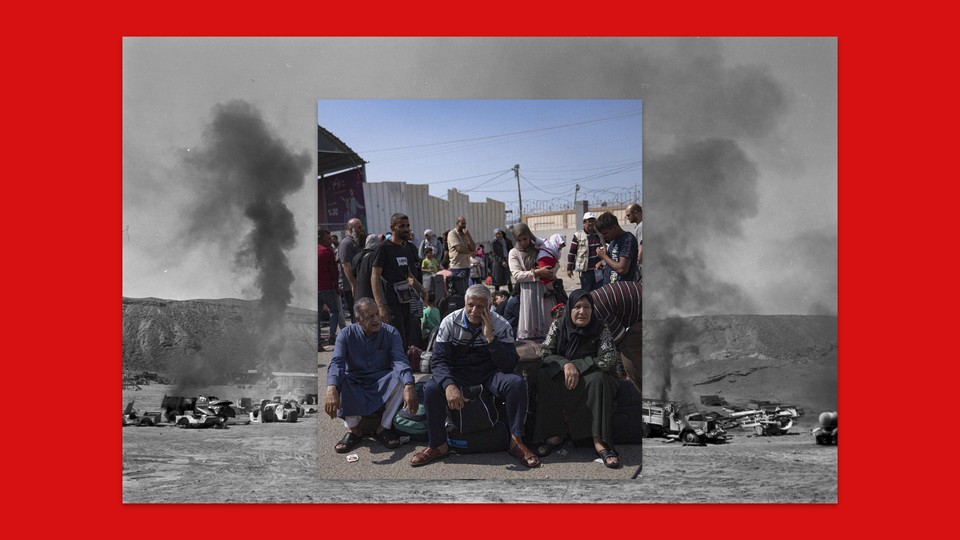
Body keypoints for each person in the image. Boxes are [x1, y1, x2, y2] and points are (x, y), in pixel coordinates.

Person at [409, 285, 540, 468]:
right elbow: (438, 361)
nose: (475, 311)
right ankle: (437, 445)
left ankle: (515, 440)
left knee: (516, 383)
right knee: (431, 388)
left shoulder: (501, 324)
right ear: (465, 303)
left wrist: (491, 339)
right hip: (458, 374)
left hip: (489, 375)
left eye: (481, 307)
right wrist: (449, 385)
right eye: (471, 305)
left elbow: (509, 365)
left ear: (489, 306)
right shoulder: (449, 322)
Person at [534, 290, 622, 468]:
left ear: (592, 309)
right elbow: (545, 353)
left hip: (595, 372)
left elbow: (608, 359)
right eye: (577, 307)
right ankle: (555, 434)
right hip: (565, 371)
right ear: (569, 309)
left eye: (587, 307)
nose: (582, 311)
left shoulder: (600, 326)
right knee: (545, 376)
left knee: (597, 380)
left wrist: (578, 365)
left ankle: (599, 441)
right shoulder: (559, 325)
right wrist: (565, 364)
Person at [324, 298, 418, 453]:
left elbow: (400, 360)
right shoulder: (345, 335)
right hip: (356, 380)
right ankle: (354, 430)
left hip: (382, 380)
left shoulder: (390, 332)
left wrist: (409, 384)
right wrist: (331, 389)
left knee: (402, 380)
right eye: (370, 317)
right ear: (358, 320)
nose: (376, 319)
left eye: (377, 314)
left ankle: (383, 427)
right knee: (339, 380)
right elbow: (336, 363)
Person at [372, 213, 428, 351]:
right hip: (390, 301)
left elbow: (407, 274)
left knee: (406, 336)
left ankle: (403, 366)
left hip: (405, 299)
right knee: (396, 337)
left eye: (407, 226)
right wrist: (380, 307)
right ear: (392, 227)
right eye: (402, 226)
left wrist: (422, 290)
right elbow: (374, 276)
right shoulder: (383, 248)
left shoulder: (404, 248)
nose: (406, 229)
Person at [590, 280, 643, 390]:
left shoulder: (597, 312)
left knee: (629, 346)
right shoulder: (589, 304)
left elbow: (619, 337)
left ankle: (639, 391)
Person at [508, 223, 554, 340]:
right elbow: (517, 275)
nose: (523, 242)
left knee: (547, 321)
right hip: (527, 292)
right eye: (519, 240)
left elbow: (551, 261)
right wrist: (538, 273)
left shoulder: (539, 248)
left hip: (544, 290)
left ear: (530, 236)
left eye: (525, 238)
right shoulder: (514, 253)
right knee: (530, 321)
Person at [566, 212, 607, 293]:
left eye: (593, 221)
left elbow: (605, 248)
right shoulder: (578, 235)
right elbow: (572, 252)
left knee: (598, 291)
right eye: (589, 221)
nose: (591, 223)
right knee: (586, 291)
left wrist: (602, 262)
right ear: (584, 222)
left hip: (598, 269)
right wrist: (569, 268)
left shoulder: (599, 235)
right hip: (585, 271)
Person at [595, 212, 639, 283]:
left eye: (605, 233)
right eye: (602, 234)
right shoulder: (613, 240)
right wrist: (603, 263)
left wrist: (604, 257)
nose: (603, 237)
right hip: (610, 288)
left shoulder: (627, 240)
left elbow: (622, 269)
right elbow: (614, 260)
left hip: (620, 290)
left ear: (615, 227)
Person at [337, 218, 366, 322]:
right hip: (352, 288)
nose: (362, 229)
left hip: (361, 284)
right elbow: (346, 266)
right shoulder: (346, 244)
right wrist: (353, 284)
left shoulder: (358, 242)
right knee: (357, 315)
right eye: (358, 227)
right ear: (350, 229)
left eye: (361, 226)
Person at [318, 229, 341, 349]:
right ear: (321, 239)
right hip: (327, 287)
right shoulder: (327, 252)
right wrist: (337, 287)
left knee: (316, 316)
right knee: (334, 311)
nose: (331, 240)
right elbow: (334, 272)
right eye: (328, 238)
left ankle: (317, 342)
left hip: (315, 289)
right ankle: (332, 336)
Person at [446, 216, 476, 297]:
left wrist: (468, 235)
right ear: (457, 224)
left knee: (465, 291)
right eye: (462, 224)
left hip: (466, 266)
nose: (464, 226)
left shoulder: (465, 235)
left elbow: (473, 247)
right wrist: (470, 253)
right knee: (458, 292)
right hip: (457, 267)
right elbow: (459, 248)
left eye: (465, 224)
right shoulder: (452, 233)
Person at [352, 234, 380, 302]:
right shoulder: (376, 256)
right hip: (372, 294)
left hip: (360, 293)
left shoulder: (356, 257)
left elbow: (353, 273)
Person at [490, 228, 514, 294]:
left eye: (499, 233)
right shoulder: (494, 243)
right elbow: (494, 254)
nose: (498, 235)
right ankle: (496, 294)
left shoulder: (507, 241)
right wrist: (502, 261)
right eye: (496, 234)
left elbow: (512, 250)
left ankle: (511, 294)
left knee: (508, 279)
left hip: (507, 260)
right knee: (497, 280)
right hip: (498, 263)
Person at [625, 203, 642, 282]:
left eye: (628, 215)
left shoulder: (641, 226)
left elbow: (641, 246)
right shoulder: (638, 226)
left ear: (635, 213)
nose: (627, 218)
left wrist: (637, 262)